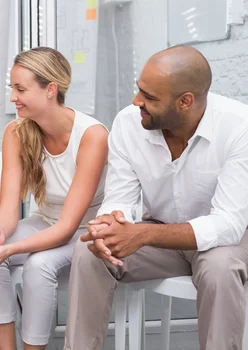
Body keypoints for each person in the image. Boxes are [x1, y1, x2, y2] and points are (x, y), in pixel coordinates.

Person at [64, 45, 248, 350]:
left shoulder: (239, 127)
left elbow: (228, 223)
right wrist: (110, 223)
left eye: (149, 97)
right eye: (139, 91)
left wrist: (144, 233)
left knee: (219, 270)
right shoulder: (128, 123)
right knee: (89, 254)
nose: (137, 102)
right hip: (160, 236)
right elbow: (120, 198)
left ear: (185, 101)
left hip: (226, 241)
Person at [0, 47, 108, 349]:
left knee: (38, 266)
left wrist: (11, 250)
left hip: (87, 231)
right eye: (13, 88)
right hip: (45, 222)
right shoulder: (16, 132)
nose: (13, 97)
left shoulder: (92, 136)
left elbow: (68, 227)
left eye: (21, 89)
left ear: (50, 90)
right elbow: (9, 209)